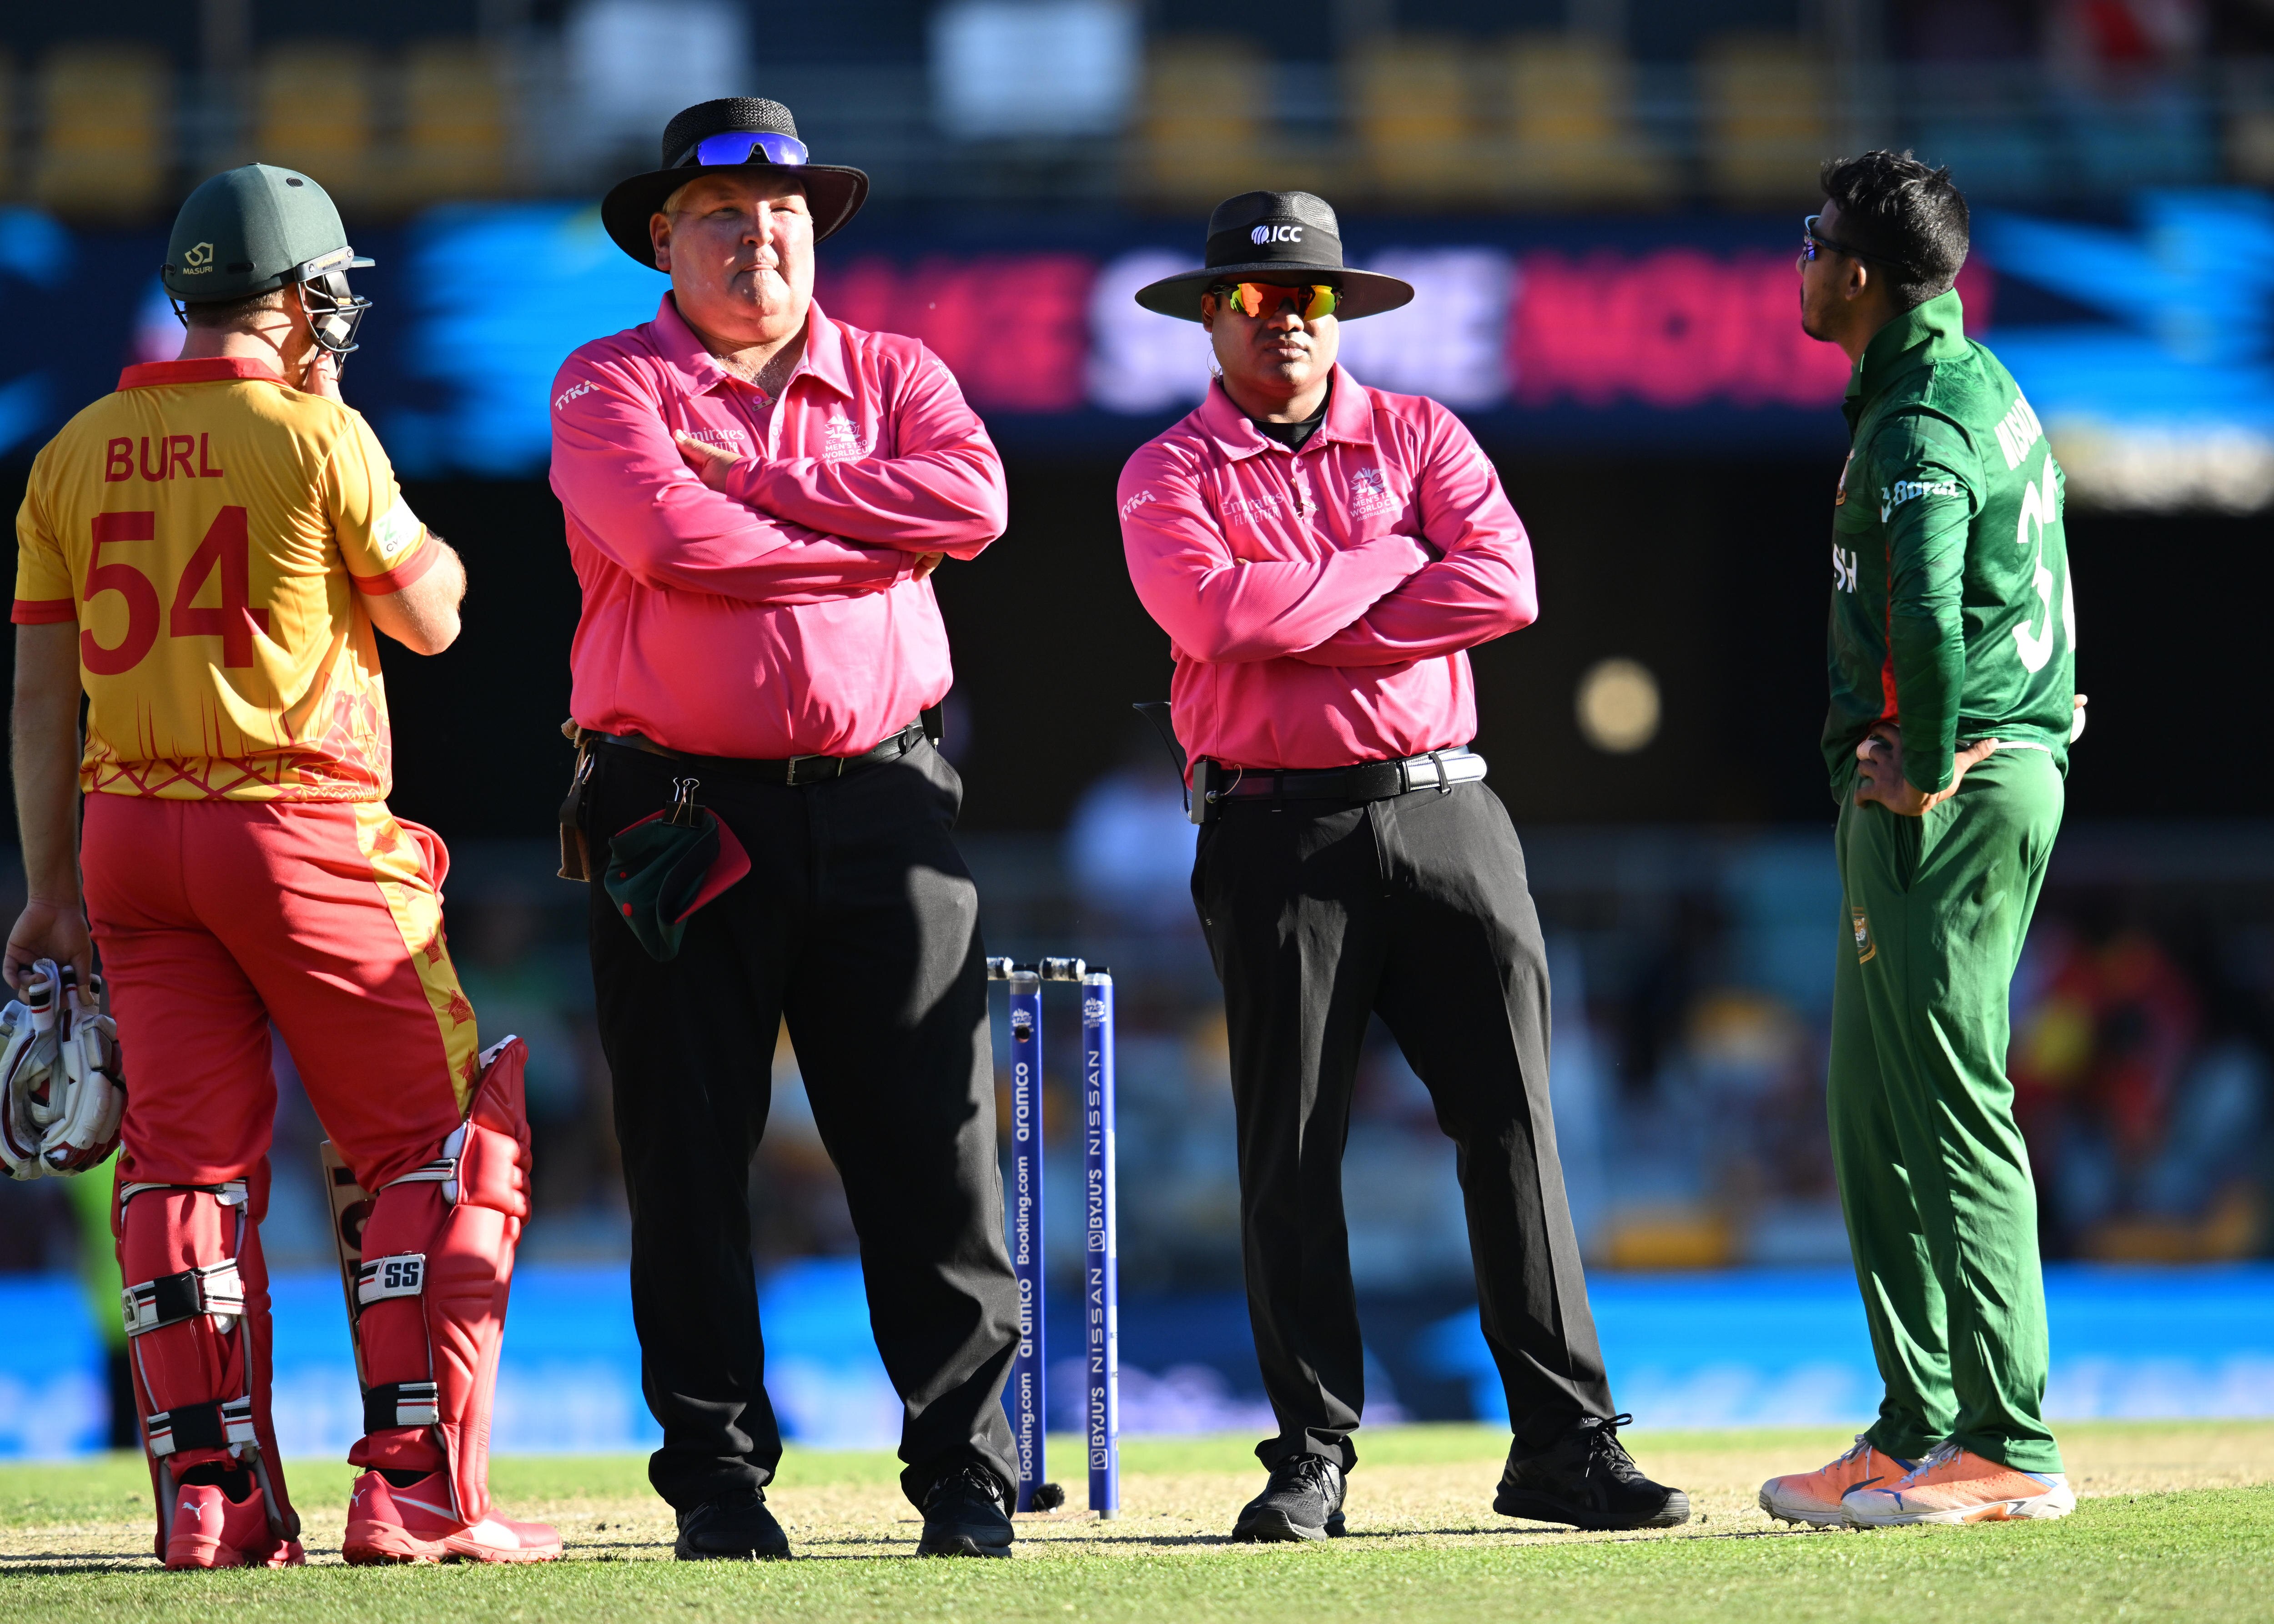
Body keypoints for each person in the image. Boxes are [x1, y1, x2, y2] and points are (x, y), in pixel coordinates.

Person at [1116, 191, 1689, 1542]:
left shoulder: (1426, 431)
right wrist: (1387, 567)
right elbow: (1209, 610)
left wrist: (1294, 602)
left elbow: (1505, 585)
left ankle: (1565, 1443)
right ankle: (1312, 1453)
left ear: (1340, 314)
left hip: (1445, 811)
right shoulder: (1167, 470)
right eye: (1258, 300)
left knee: (1514, 1129)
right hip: (1271, 827)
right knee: (1290, 1148)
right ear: (1213, 315)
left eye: (1311, 299)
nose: (1288, 323)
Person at [8, 164, 557, 1567]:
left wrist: (49, 887)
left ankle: (214, 1501)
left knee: (180, 1169)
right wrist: (413, 531)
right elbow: (431, 619)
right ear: (305, 298)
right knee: (439, 1144)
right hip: (297, 826)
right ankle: (420, 1489)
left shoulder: (69, 451)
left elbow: (36, 697)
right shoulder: (318, 435)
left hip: (128, 839)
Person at [549, 98, 1022, 1560]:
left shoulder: (899, 366)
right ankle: (716, 1478)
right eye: (725, 220)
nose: (761, 239)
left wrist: (759, 482)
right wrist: (872, 542)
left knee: (934, 1149)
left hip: (889, 797)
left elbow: (978, 499)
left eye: (785, 218)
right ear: (662, 242)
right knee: (689, 1152)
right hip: (678, 806)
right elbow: (668, 544)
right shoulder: (605, 382)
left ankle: (969, 1471)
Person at [1758, 151, 2082, 1529]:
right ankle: (1915, 1426)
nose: (1803, 257)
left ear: (1862, 277)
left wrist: (1935, 759)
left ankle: (2007, 1437)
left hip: (1945, 798)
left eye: (1815, 238)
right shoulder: (1958, 386)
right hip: (1965, 779)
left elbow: (1936, 618)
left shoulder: (1919, 428)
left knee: (1948, 1109)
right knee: (1874, 1111)